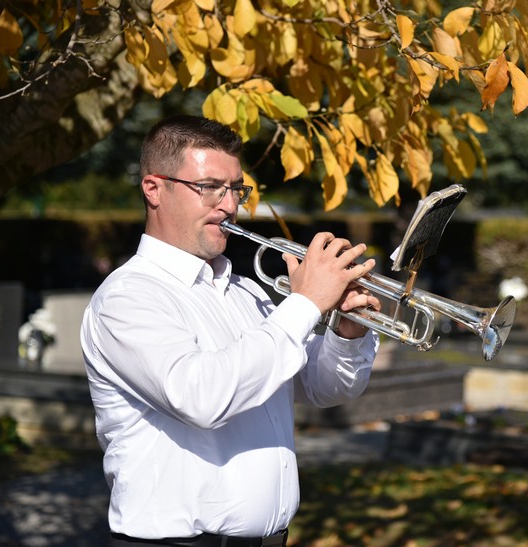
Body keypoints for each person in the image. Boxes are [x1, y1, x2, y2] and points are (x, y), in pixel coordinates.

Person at [80, 115, 381, 546]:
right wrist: (306, 303)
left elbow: (324, 388)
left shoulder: (245, 290)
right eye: (209, 188)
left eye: (235, 189)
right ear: (153, 189)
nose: (228, 205)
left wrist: (347, 330)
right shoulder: (127, 298)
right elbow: (203, 397)